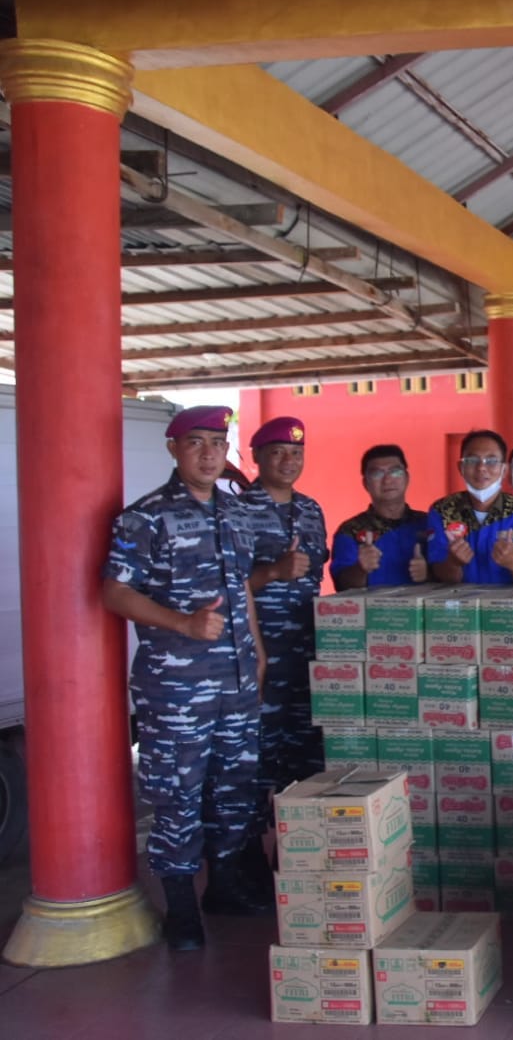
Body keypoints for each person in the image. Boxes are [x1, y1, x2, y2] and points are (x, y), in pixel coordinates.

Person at [102, 406, 270, 950]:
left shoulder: (236, 512)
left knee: (234, 792)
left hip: (238, 680)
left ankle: (222, 889)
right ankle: (180, 909)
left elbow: (242, 586)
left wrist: (259, 653)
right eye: (195, 442)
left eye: (217, 443)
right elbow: (114, 592)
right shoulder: (145, 517)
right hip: (176, 688)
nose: (207, 453)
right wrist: (183, 623)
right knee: (177, 795)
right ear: (173, 449)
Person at [243, 416, 329, 819]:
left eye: (296, 453)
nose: (288, 461)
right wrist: (273, 572)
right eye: (277, 452)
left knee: (307, 766)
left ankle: (294, 857)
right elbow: (224, 586)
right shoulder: (236, 511)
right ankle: (251, 868)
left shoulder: (312, 510)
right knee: (257, 764)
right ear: (257, 456)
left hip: (306, 658)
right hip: (258, 658)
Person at [427, 430, 513, 584]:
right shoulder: (442, 511)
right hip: (459, 605)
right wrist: (453, 563)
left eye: (491, 461)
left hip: (510, 606)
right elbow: (439, 575)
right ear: (460, 467)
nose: (481, 468)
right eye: (472, 460)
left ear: (504, 470)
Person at [330, 444, 430, 591]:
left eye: (395, 472)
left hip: (421, 611)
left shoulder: (428, 524)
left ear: (407, 478)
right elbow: (342, 586)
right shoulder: (350, 531)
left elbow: (453, 577)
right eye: (377, 474)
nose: (387, 480)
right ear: (365, 483)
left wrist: (428, 574)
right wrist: (360, 569)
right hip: (373, 613)